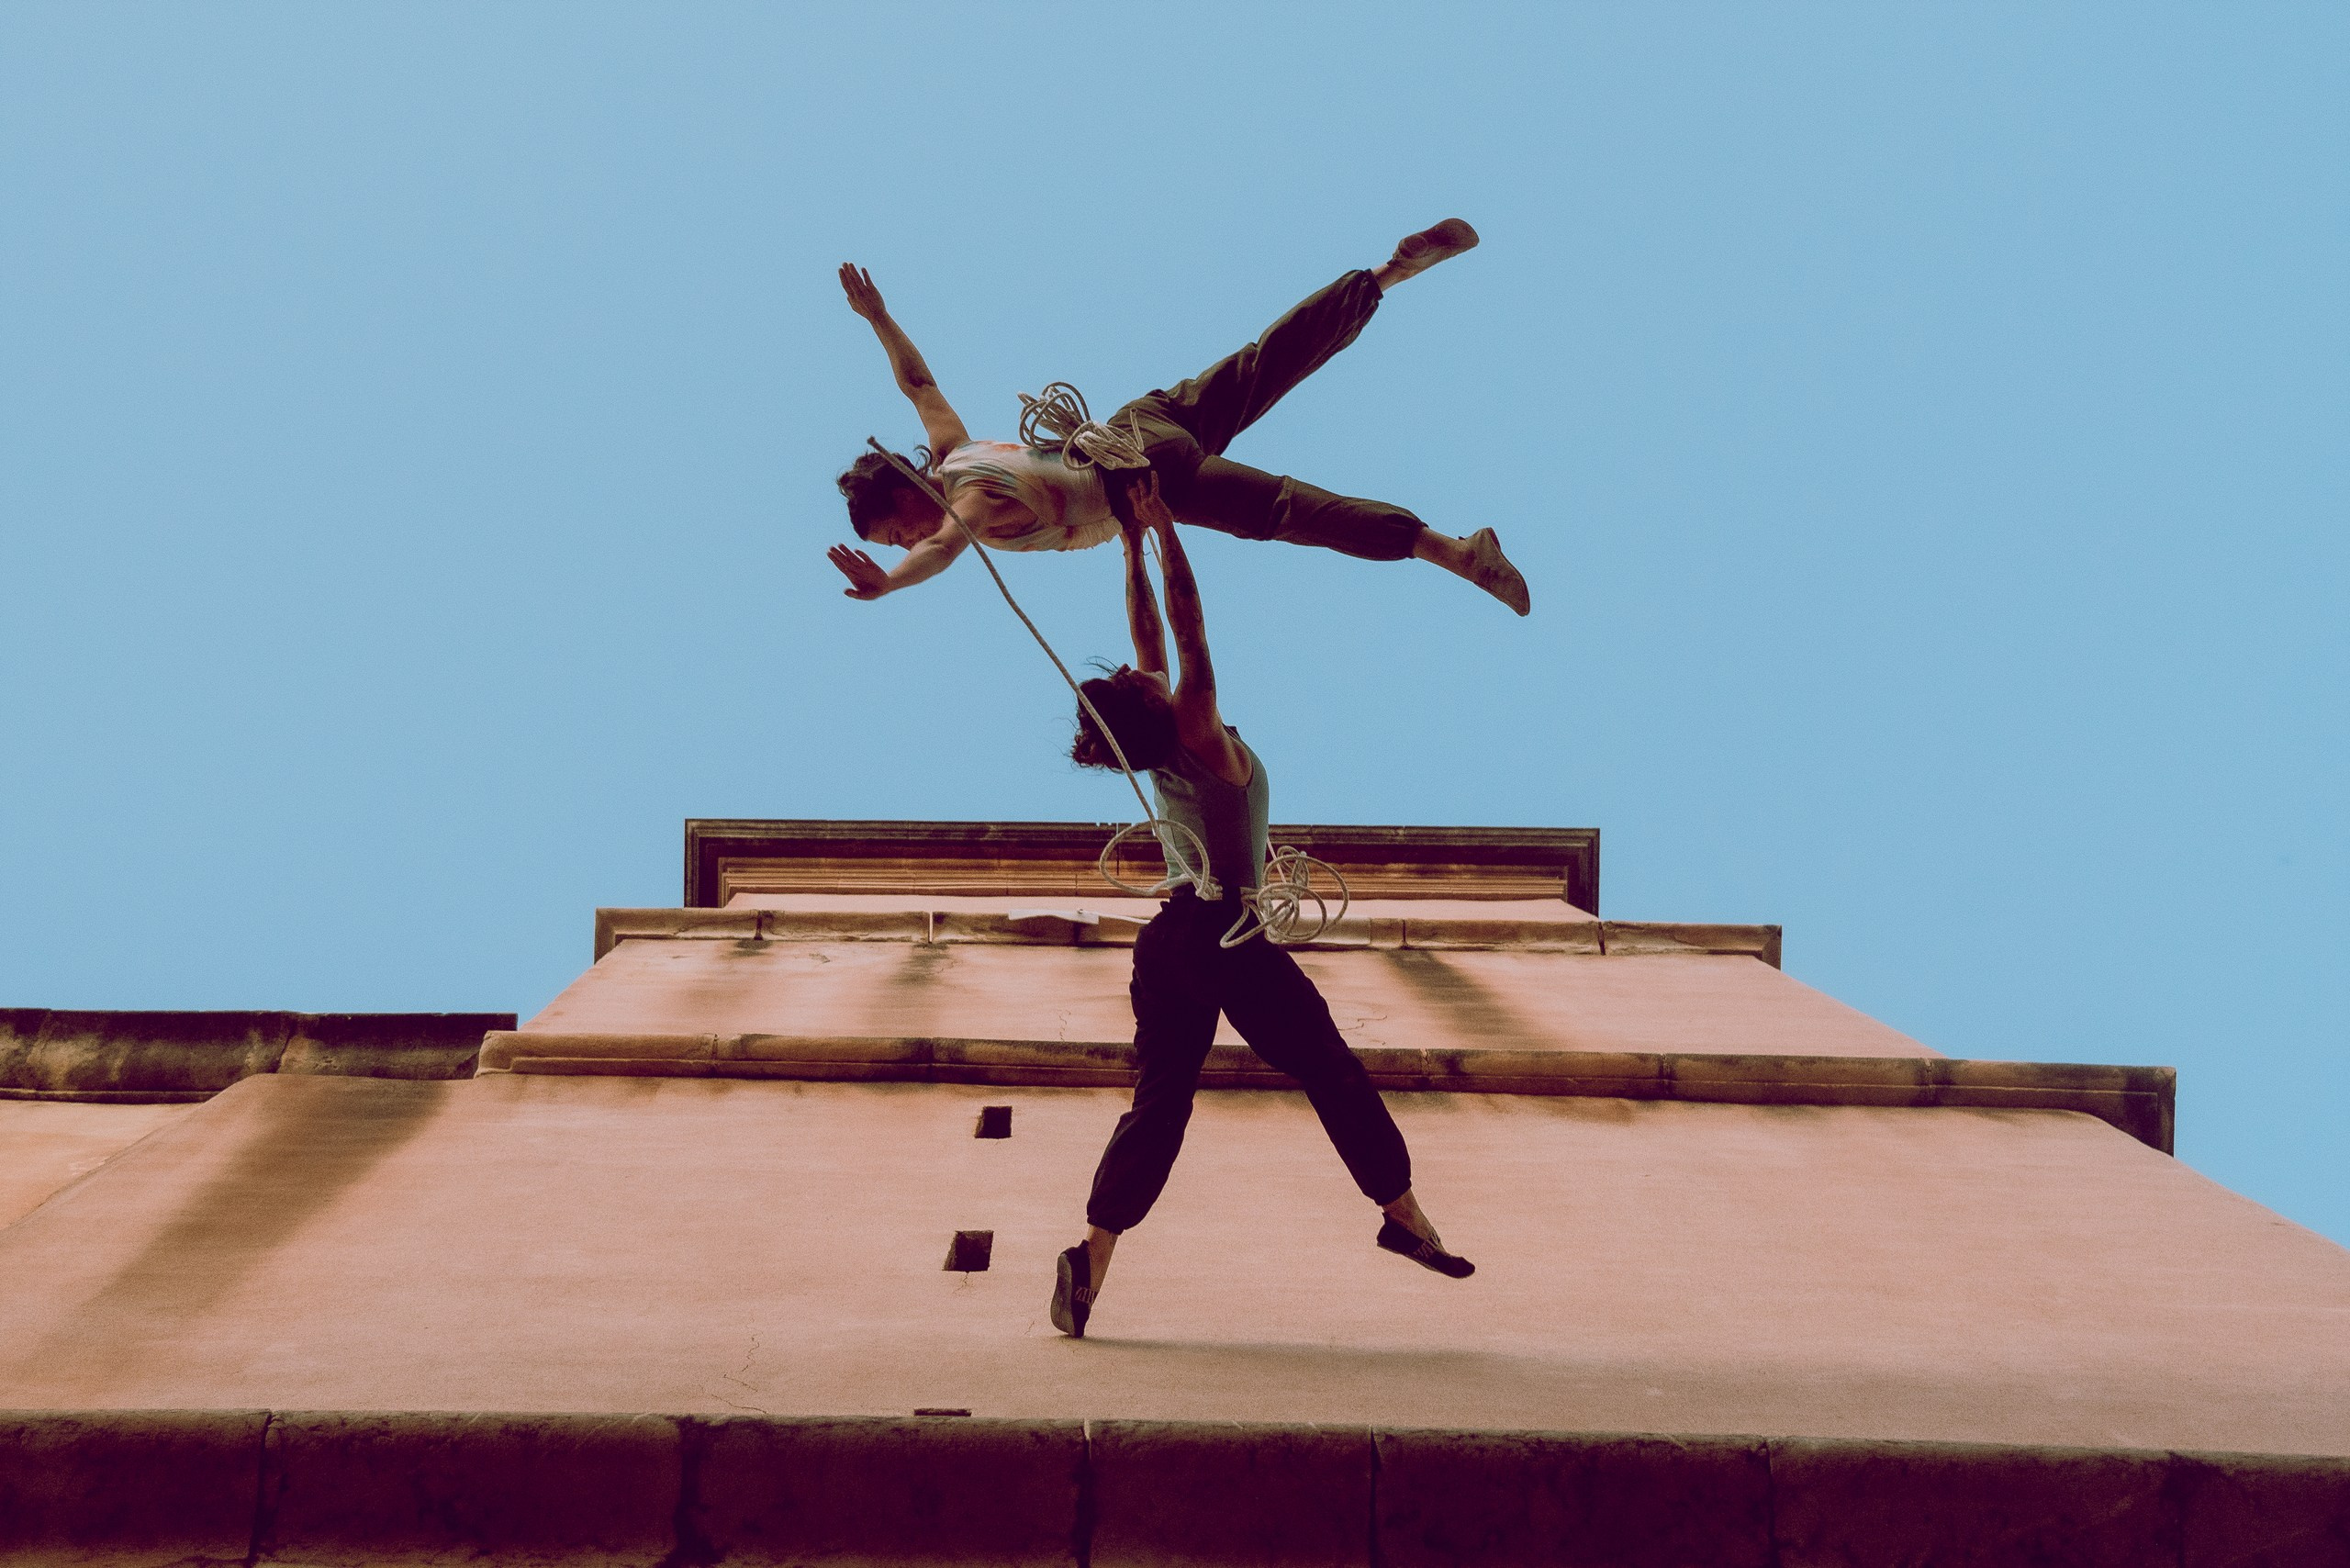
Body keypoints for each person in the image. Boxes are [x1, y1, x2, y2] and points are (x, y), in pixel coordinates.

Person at [1048, 471, 1474, 1340]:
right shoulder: (1198, 731)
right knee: (1327, 1067)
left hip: (1167, 940)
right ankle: (1404, 1215)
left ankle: (1095, 1250)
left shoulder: (1161, 749)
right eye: (1143, 675)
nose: (1144, 664)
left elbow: (1148, 632)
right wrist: (1166, 530)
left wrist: (1128, 541)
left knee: (1162, 1095)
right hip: (1226, 935)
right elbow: (1186, 626)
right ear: (1157, 699)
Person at [829, 220, 1530, 616]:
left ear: (906, 495)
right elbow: (918, 383)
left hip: (1138, 477)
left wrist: (891, 585)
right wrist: (879, 318)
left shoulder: (969, 499)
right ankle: (1384, 274)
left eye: (895, 533)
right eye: (894, 548)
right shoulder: (953, 451)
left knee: (1288, 511)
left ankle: (1455, 553)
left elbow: (943, 549)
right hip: (1141, 421)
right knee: (1265, 362)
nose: (902, 544)